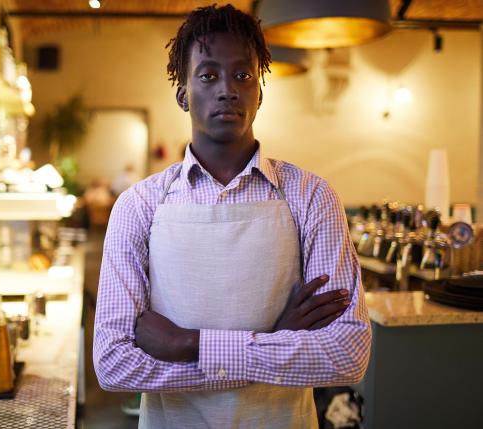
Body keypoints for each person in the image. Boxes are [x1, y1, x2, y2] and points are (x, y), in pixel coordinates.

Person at [93, 4, 371, 429]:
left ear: (260, 91)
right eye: (207, 75)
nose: (227, 89)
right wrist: (278, 341)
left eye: (242, 75)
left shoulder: (311, 197)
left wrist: (187, 343)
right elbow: (113, 364)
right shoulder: (139, 205)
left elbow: (347, 356)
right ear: (183, 94)